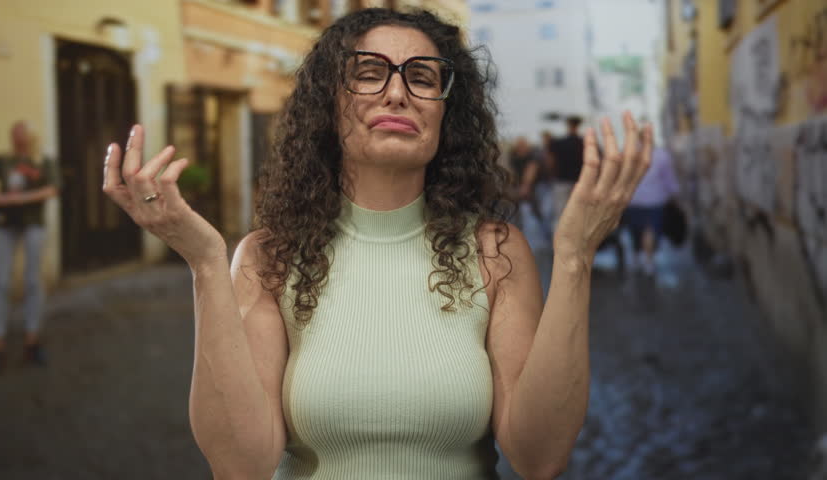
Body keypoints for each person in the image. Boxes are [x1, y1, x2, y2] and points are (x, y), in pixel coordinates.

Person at [102, 8, 653, 479]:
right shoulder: (269, 258)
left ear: (446, 111)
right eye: (369, 73)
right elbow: (240, 466)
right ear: (328, 104)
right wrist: (204, 263)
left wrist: (577, 256)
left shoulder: (496, 252)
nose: (397, 91)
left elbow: (539, 457)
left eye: (422, 76)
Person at [0, 121, 59, 374]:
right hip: (6, 225)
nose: (18, 140)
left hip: (33, 224)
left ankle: (32, 341)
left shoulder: (42, 160)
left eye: (21, 135)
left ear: (30, 137)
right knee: (1, 283)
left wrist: (20, 199)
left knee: (33, 282)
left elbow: (53, 189)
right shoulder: (3, 160)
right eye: (14, 135)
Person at [622, 144, 681, 276]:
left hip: (633, 199)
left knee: (635, 230)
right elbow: (668, 178)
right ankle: (648, 261)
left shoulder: (628, 154)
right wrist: (675, 194)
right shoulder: (661, 155)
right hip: (655, 200)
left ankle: (637, 257)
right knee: (651, 229)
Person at [549, 115, 585, 229]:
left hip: (561, 181)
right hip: (579, 181)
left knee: (560, 213)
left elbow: (551, 162)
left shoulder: (558, 142)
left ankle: (558, 242)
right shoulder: (583, 142)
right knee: (578, 213)